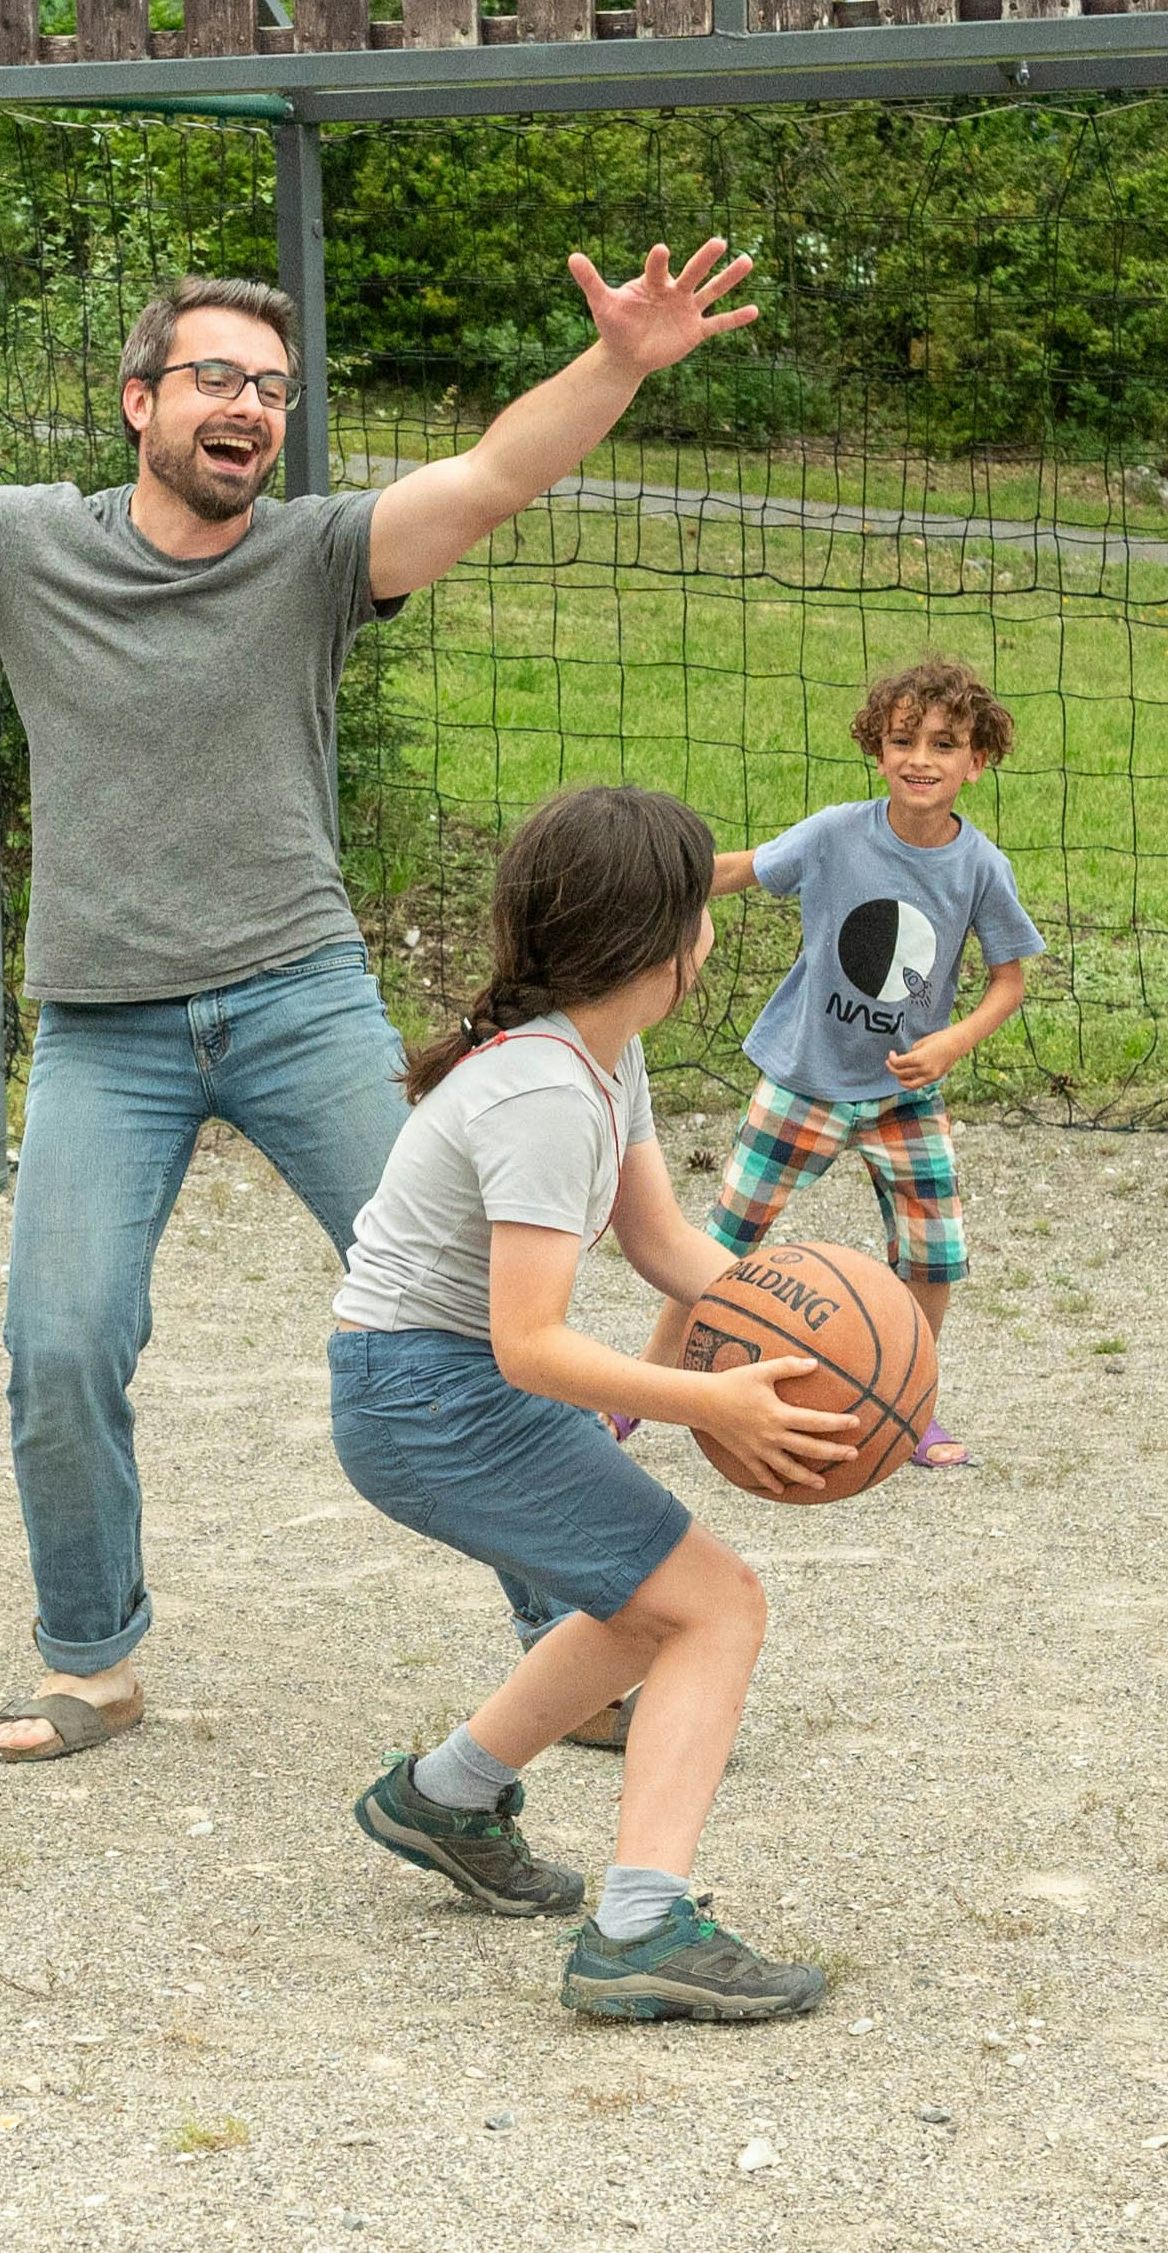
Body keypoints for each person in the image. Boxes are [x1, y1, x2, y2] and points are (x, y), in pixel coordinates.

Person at [0, 153, 760, 1766]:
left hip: (295, 995)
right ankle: (92, 1657)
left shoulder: (317, 558)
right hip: (106, 1024)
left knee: (481, 1315)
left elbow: (485, 478)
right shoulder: (24, 548)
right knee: (59, 1339)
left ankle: (582, 1639)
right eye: (212, 377)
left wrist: (611, 359)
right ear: (138, 402)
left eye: (269, 386)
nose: (245, 405)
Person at [327, 783, 856, 2023]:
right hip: (431, 1397)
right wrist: (705, 1399)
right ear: (662, 943)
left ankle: (446, 1798)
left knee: (644, 1601)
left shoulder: (597, 1061)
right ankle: (641, 1928)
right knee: (718, 1604)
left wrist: (815, 1338)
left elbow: (669, 1243)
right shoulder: (548, 1094)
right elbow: (529, 1345)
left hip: (434, 1383)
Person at [637, 657, 1038, 1469]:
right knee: (723, 1241)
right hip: (804, 1078)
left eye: (944, 743)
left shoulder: (980, 868)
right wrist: (648, 877)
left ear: (977, 761)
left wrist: (954, 1039)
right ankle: (640, 1391)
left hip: (902, 1093)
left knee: (934, 1252)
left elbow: (1010, 980)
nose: (920, 757)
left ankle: (908, 1400)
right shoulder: (833, 834)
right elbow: (744, 870)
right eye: (902, 739)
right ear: (877, 748)